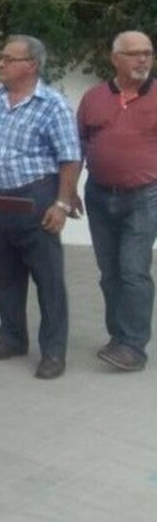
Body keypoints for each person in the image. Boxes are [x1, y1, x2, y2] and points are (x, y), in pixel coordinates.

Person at [0, 35, 81, 380]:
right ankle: (12, 337)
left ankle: (53, 351)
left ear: (31, 65)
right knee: (0, 276)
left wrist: (61, 203)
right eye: (1, 58)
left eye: (8, 59)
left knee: (48, 279)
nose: (0, 64)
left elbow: (70, 158)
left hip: (33, 200)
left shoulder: (52, 104)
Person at [77, 30, 157, 372]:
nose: (143, 59)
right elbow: (77, 147)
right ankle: (118, 337)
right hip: (98, 196)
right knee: (109, 272)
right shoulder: (93, 98)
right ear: (115, 59)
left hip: (144, 197)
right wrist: (66, 194)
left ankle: (134, 347)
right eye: (134, 53)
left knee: (133, 272)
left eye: (148, 53)